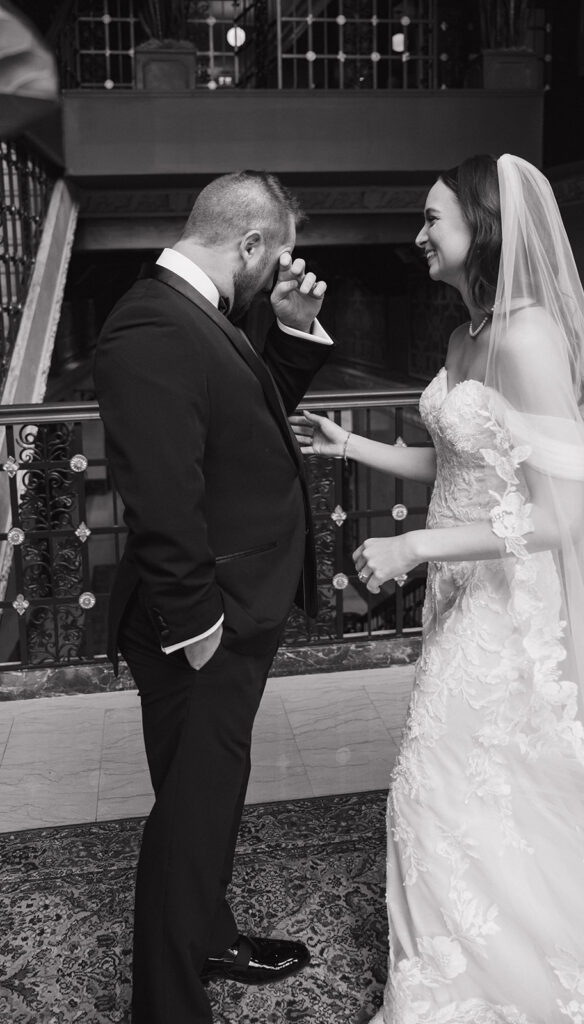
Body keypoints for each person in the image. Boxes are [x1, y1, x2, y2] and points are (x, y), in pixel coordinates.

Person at [292, 154, 584, 1023]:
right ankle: (488, 951)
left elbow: (562, 517)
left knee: (432, 781)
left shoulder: (527, 338)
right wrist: (352, 446)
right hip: (457, 592)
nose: (418, 235)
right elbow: (459, 463)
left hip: (506, 603)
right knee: (490, 782)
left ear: (483, 228)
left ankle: (456, 988)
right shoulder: (466, 333)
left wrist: (417, 544)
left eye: (433, 219)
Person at [94, 170, 332, 1024]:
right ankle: (166, 1006)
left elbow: (245, 427)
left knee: (208, 798)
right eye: (277, 259)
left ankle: (209, 937)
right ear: (251, 244)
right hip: (204, 620)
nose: (277, 276)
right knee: (191, 816)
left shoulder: (198, 316)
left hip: (230, 608)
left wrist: (291, 332)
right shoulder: (152, 325)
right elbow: (160, 492)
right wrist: (198, 626)